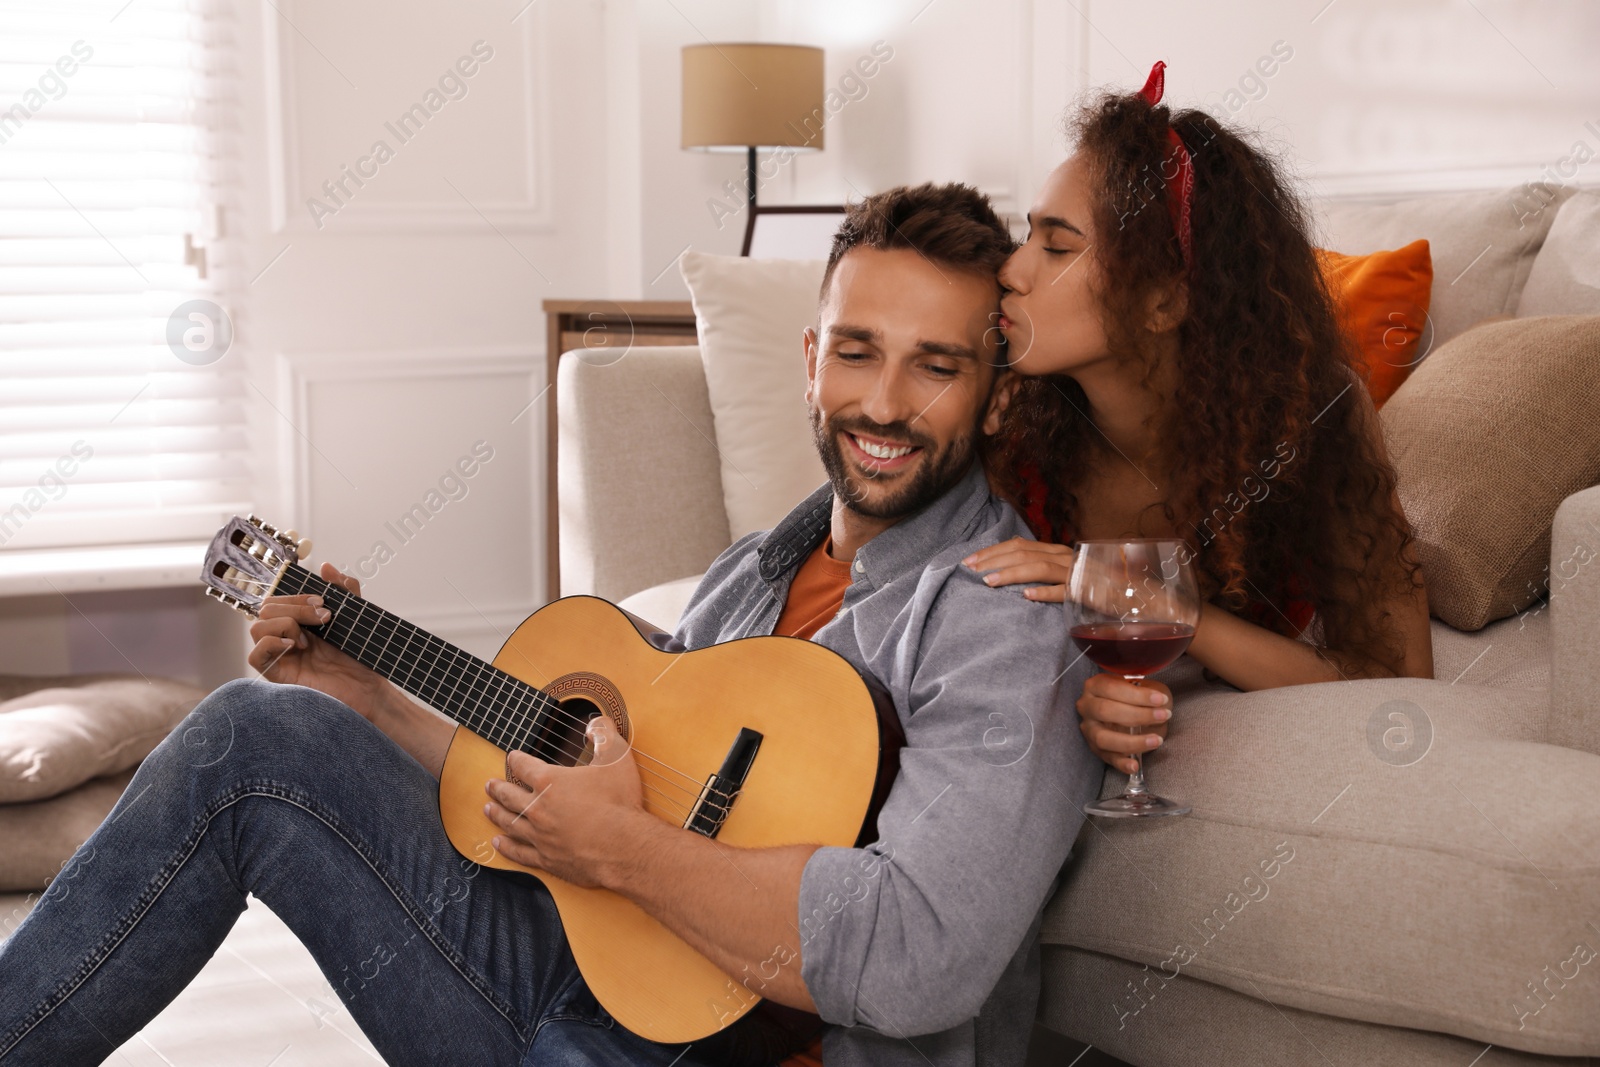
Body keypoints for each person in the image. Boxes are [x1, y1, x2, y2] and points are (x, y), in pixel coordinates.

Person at [0, 183, 1101, 1067]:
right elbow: (556, 804)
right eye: (857, 351)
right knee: (254, 730)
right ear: (811, 364)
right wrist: (366, 693)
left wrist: (624, 846)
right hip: (581, 990)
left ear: (994, 396)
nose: (884, 402)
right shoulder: (749, 578)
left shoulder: (1002, 619)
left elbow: (920, 961)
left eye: (937, 366)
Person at [962, 62, 1434, 777]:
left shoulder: (1313, 420)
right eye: (1028, 236)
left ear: (1164, 301)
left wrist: (1160, 609)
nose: (1013, 270)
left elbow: (1401, 685)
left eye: (1057, 247)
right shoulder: (1010, 423)